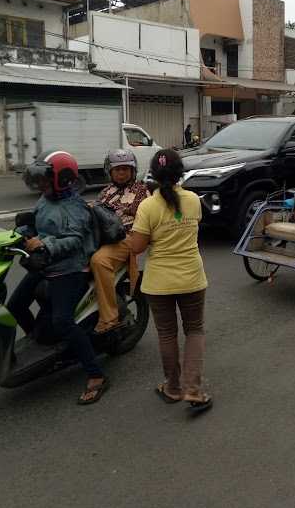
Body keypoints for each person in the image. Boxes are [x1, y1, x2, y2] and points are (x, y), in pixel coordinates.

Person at [8, 150, 109, 404]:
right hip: (45, 264)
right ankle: (44, 346)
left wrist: (45, 244)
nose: (40, 184)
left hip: (70, 268)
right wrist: (20, 232)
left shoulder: (76, 208)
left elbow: (74, 241)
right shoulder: (46, 199)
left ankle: (96, 375)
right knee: (14, 306)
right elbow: (37, 225)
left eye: (45, 179)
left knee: (63, 321)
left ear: (62, 179)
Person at [130, 149, 212, 414]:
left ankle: (173, 387)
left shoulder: (147, 206)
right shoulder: (193, 200)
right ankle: (194, 390)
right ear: (180, 173)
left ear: (153, 174)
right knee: (195, 330)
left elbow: (138, 247)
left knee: (167, 334)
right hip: (191, 277)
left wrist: (127, 238)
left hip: (159, 282)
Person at [90, 150, 148, 333]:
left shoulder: (142, 190)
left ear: (133, 170)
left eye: (125, 169)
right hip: (102, 237)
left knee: (99, 261)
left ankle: (109, 318)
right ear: (110, 171)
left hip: (127, 238)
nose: (121, 173)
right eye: (117, 169)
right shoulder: (106, 191)